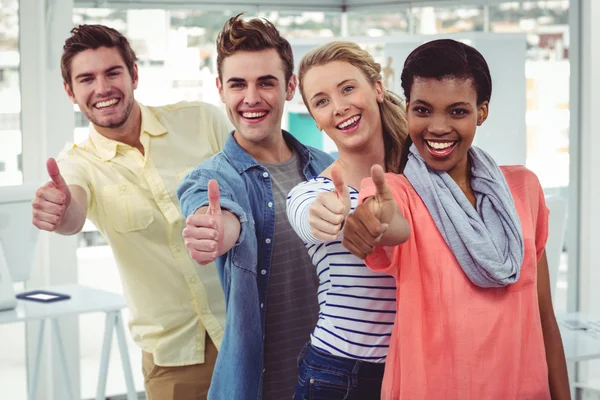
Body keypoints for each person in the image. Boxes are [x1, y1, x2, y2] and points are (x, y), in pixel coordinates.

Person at [341, 38, 571, 400]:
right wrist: (373, 221)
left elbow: (544, 314)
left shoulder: (524, 189)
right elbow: (389, 221)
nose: (437, 127)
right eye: (422, 110)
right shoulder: (397, 192)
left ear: (482, 112)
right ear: (407, 112)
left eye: (457, 112)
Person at [30, 24, 232, 400]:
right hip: (173, 357)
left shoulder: (203, 121)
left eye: (112, 72)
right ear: (70, 92)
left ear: (134, 74)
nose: (102, 88)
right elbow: (73, 212)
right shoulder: (78, 164)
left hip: (249, 332)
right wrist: (59, 213)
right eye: (86, 79)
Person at [176, 14, 334, 400]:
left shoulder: (328, 167)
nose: (251, 98)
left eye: (266, 82)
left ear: (290, 86)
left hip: (335, 381)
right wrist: (216, 231)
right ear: (220, 89)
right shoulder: (209, 178)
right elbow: (218, 215)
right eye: (237, 84)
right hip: (260, 387)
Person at [285, 41, 408, 399]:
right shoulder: (314, 192)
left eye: (348, 89)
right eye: (322, 102)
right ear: (317, 122)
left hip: (416, 369)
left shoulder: (420, 182)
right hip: (340, 376)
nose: (339, 108)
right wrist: (327, 217)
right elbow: (309, 213)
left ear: (378, 88)